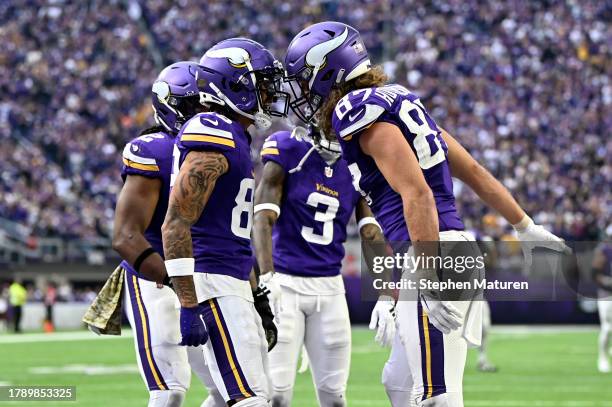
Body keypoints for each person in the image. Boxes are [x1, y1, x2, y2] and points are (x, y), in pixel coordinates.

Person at [283, 21, 568, 407]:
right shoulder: (399, 101)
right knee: (398, 383)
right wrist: (524, 224)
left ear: (328, 72)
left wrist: (427, 273)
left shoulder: (354, 108)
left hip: (433, 253)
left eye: (305, 79)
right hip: (444, 251)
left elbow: (416, 193)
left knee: (436, 397)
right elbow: (475, 172)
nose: (302, 92)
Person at [161, 38, 288, 407]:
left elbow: (233, 232)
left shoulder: (233, 135)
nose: (269, 92)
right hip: (212, 282)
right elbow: (175, 223)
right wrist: (188, 304)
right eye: (261, 83)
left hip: (231, 280)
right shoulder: (212, 130)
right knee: (249, 399)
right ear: (236, 85)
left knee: (237, 396)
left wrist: (256, 293)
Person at [252, 125, 391, 406]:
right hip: (284, 283)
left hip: (330, 288)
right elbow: (262, 218)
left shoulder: (357, 162)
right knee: (276, 395)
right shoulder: (288, 148)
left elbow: (371, 232)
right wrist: (266, 276)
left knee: (335, 397)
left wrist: (387, 293)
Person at [112, 61, 223, 407]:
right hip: (156, 279)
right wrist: (178, 283)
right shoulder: (155, 151)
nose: (202, 115)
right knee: (171, 390)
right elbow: (126, 237)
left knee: (234, 388)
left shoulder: (218, 149)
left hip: (204, 274)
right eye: (194, 107)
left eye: (207, 106)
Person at [593, 239, 612, 373]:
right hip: (607, 293)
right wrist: (606, 281)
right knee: (607, 328)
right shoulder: (603, 252)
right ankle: (602, 357)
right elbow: (595, 273)